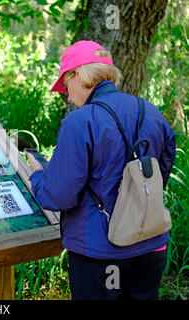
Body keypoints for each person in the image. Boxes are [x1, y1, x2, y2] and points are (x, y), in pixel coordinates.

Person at [26, 40, 176, 300]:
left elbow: (58, 196)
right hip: (151, 246)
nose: (66, 94)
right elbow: (160, 173)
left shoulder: (80, 122)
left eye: (65, 84)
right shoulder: (150, 112)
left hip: (101, 253)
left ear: (77, 75)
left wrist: (38, 175)